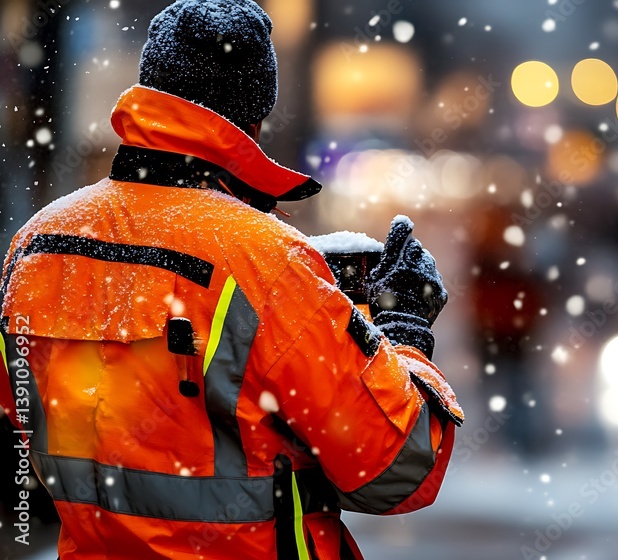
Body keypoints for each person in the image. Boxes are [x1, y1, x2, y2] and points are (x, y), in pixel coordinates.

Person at [0, 1, 463, 558]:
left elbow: (35, 433)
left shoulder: (37, 244)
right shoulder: (265, 261)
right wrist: (404, 327)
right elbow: (396, 469)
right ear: (255, 115)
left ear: (150, 89)